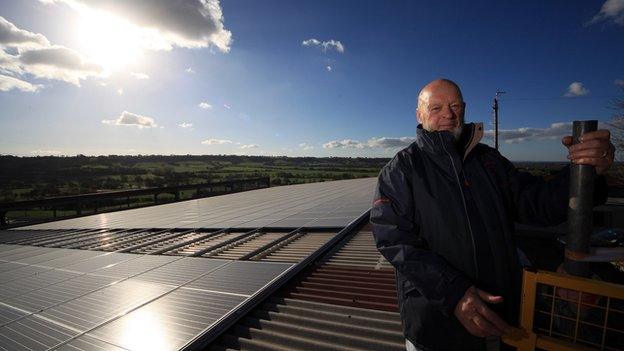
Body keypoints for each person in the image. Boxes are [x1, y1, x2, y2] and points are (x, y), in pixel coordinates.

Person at [370, 79, 615, 351]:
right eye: (436, 107)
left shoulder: (488, 160)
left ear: (464, 109)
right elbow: (393, 240)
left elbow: (535, 203)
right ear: (419, 114)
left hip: (501, 318)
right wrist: (453, 294)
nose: (448, 114)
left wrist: (587, 173)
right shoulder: (401, 170)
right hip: (436, 325)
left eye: (454, 106)